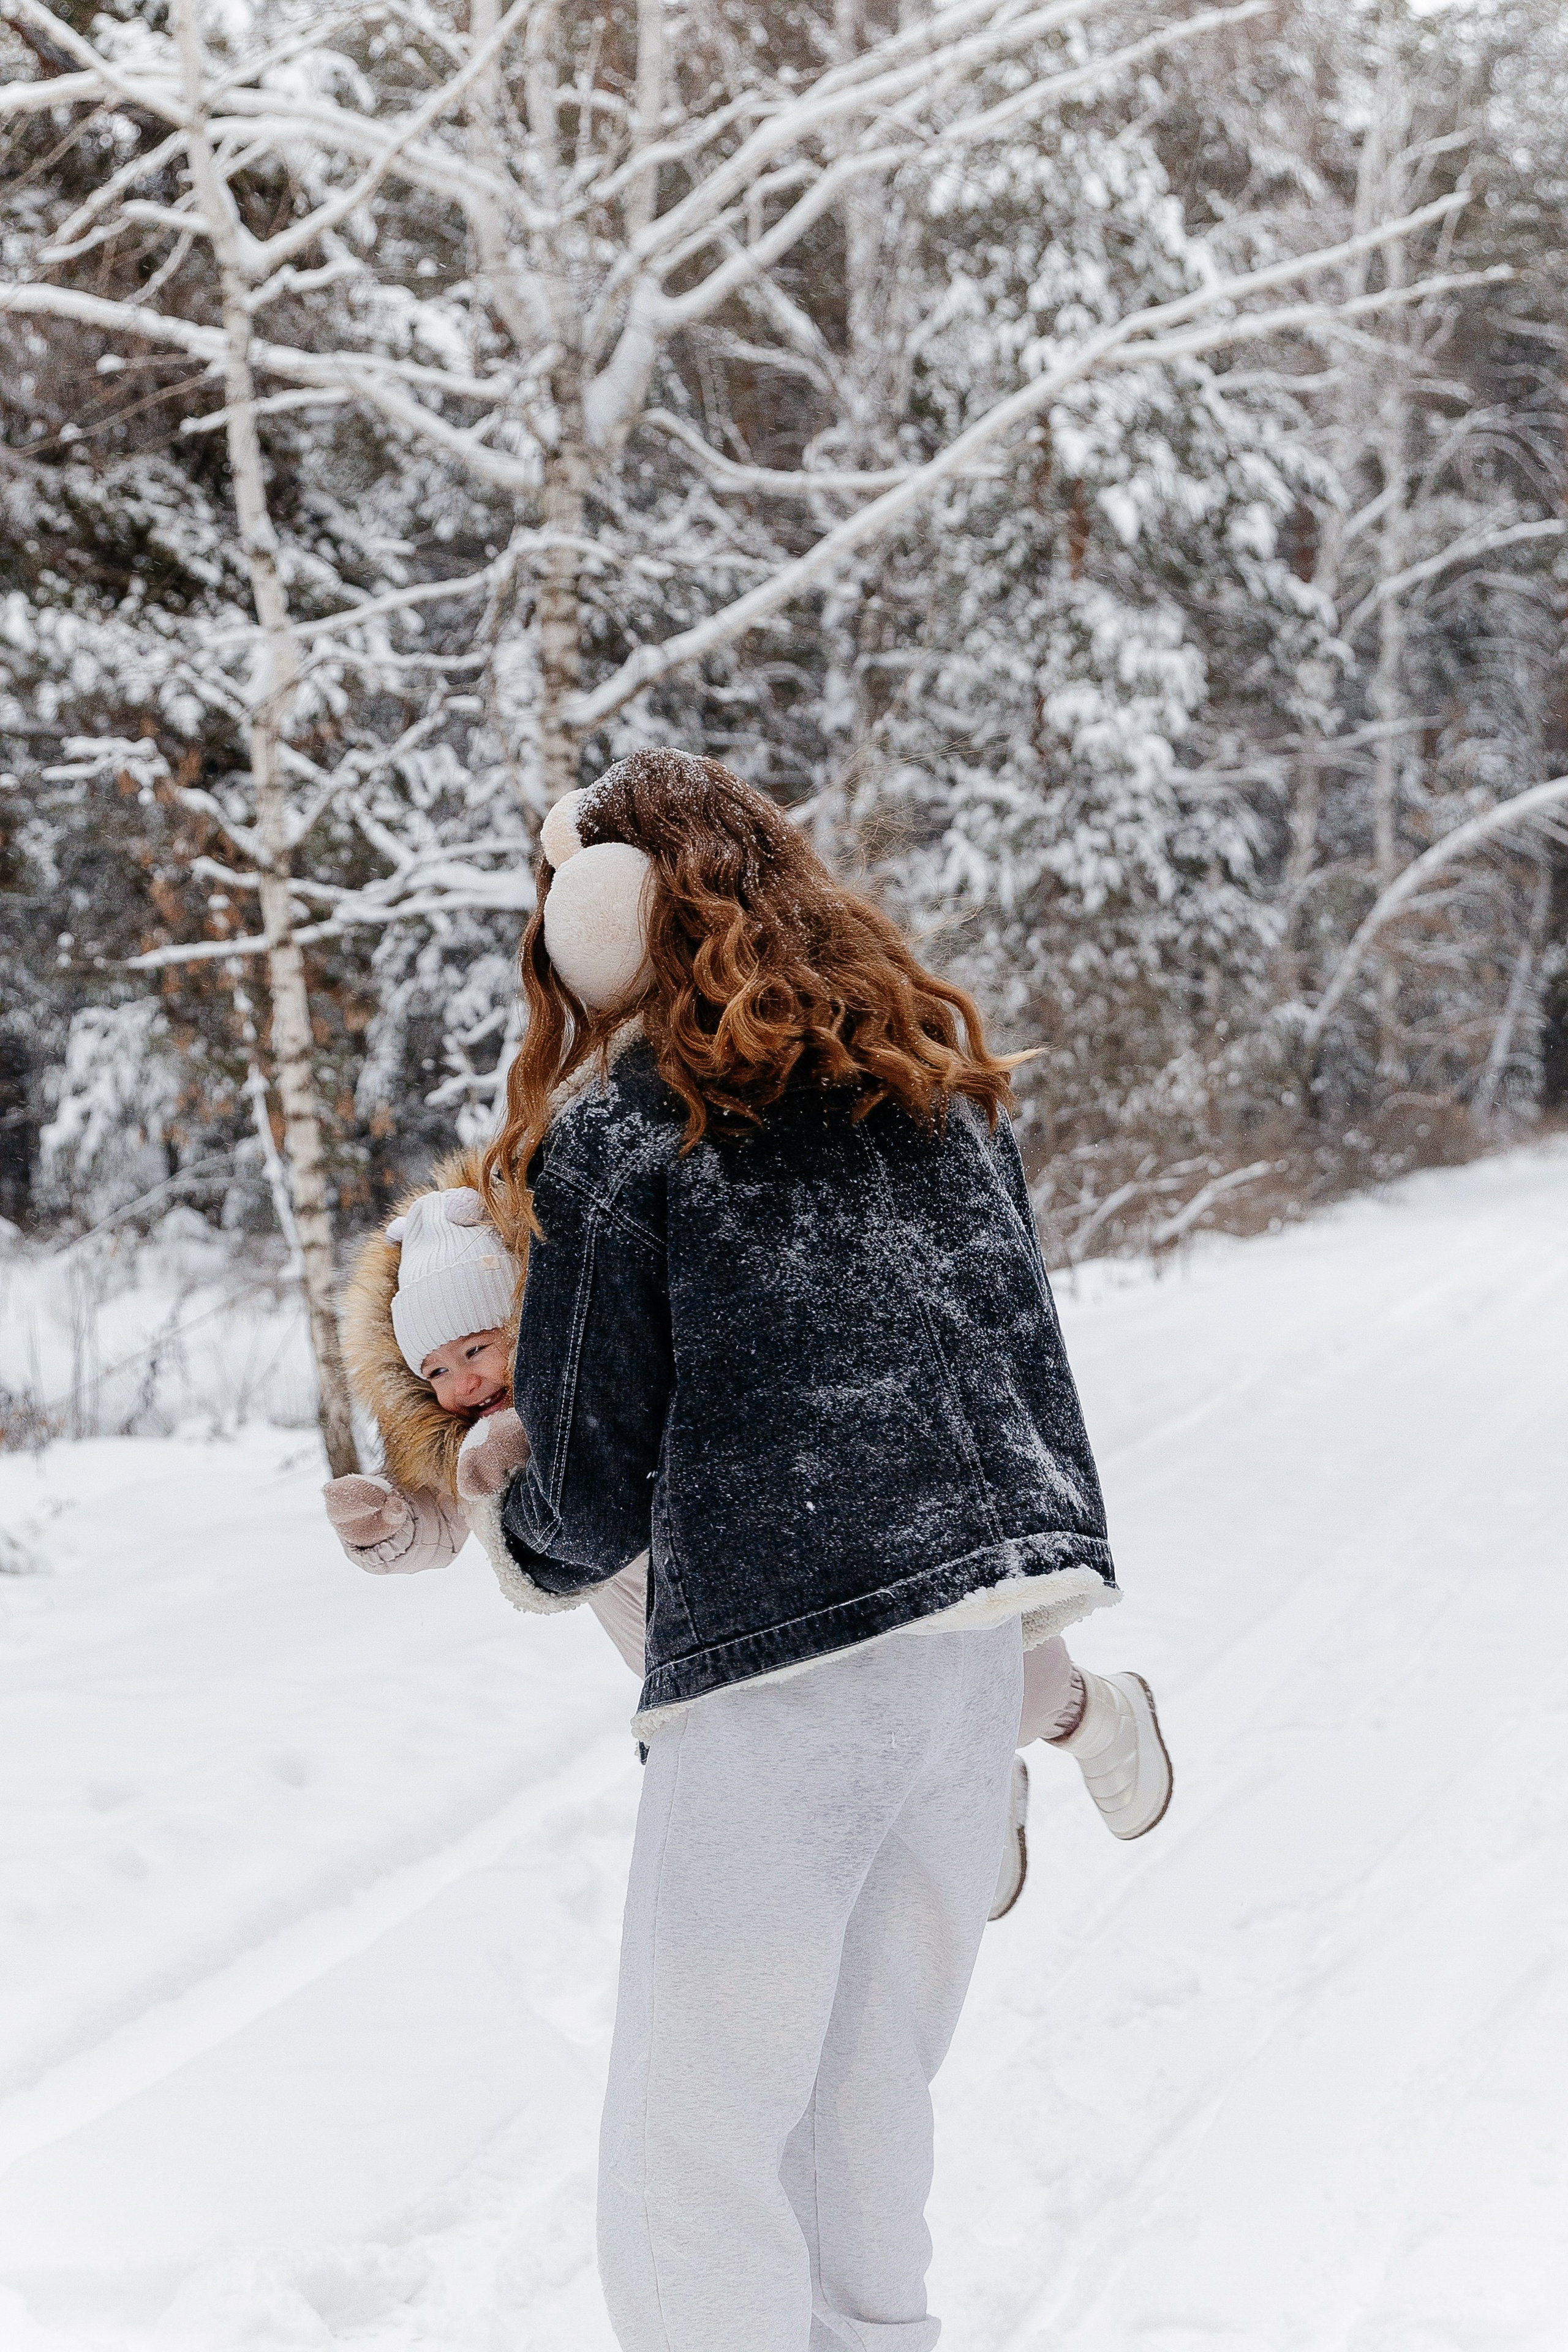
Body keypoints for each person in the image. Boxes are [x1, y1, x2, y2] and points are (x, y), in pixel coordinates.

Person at [471, 749, 1170, 2352]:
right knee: (865, 2121)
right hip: (960, 1663)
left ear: (609, 911)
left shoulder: (633, 1129)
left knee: (690, 2148)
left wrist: (503, 1495)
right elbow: (1018, 1373)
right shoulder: (931, 1075)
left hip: (780, 1692)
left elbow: (583, 1494)